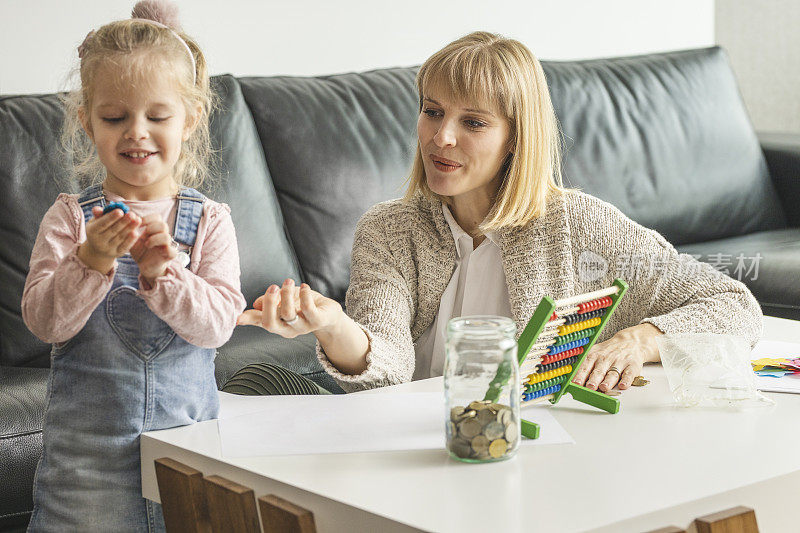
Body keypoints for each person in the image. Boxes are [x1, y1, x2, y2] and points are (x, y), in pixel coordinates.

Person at [238, 31, 762, 395]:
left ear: (516, 137)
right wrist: (333, 326)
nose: (441, 137)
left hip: (536, 448)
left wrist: (639, 340)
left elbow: (732, 305)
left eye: (474, 122)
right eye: (433, 111)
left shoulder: (579, 225)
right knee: (254, 385)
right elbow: (388, 366)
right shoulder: (389, 230)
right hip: (421, 445)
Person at [21, 1, 245, 530]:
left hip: (187, 462)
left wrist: (164, 276)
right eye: (115, 117)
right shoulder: (70, 220)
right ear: (87, 122)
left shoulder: (209, 222)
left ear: (189, 119)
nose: (136, 132)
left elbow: (218, 327)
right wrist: (91, 260)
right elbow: (44, 322)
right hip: (86, 470)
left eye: (157, 116)